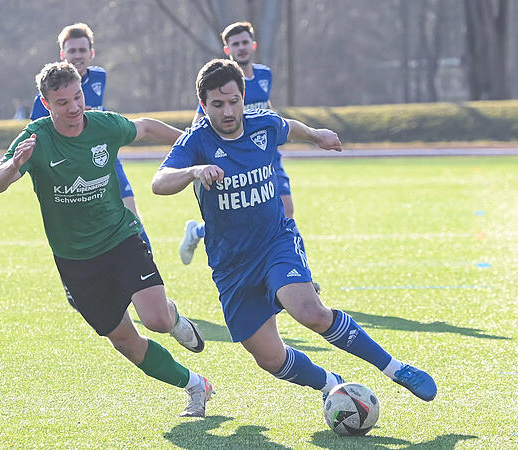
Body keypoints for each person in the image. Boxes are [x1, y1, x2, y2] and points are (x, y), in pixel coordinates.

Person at [152, 59, 436, 406]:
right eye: (217, 104)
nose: (228, 111)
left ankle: (396, 368)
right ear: (203, 105)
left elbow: (290, 127)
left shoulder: (263, 125)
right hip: (231, 267)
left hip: (275, 243)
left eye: (234, 101)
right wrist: (194, 171)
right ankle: (332, 384)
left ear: (243, 96)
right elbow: (159, 182)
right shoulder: (196, 141)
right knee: (270, 359)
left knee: (310, 311)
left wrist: (317, 135)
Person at [0, 61, 214, 417]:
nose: (74, 107)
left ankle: (174, 319)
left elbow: (148, 127)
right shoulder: (36, 138)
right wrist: (15, 165)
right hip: (75, 260)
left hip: (120, 238)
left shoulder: (104, 125)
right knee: (124, 341)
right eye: (62, 103)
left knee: (155, 319)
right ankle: (196, 385)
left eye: (78, 97)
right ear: (46, 104)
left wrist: (201, 144)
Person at [179, 22, 299, 272]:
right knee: (238, 216)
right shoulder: (223, 82)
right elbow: (200, 119)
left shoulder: (264, 74)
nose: (242, 48)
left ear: (253, 45)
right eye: (236, 44)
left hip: (267, 157)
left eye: (245, 42)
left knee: (286, 211)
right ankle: (200, 231)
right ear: (227, 49)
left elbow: (268, 109)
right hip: (235, 157)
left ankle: (295, 270)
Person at [29, 23, 152, 250]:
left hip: (104, 156)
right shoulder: (45, 97)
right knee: (88, 224)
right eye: (72, 51)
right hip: (73, 166)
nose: (77, 56)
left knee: (131, 214)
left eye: (82, 50)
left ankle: (146, 267)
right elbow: (36, 135)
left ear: (91, 53)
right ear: (62, 55)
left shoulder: (99, 77)